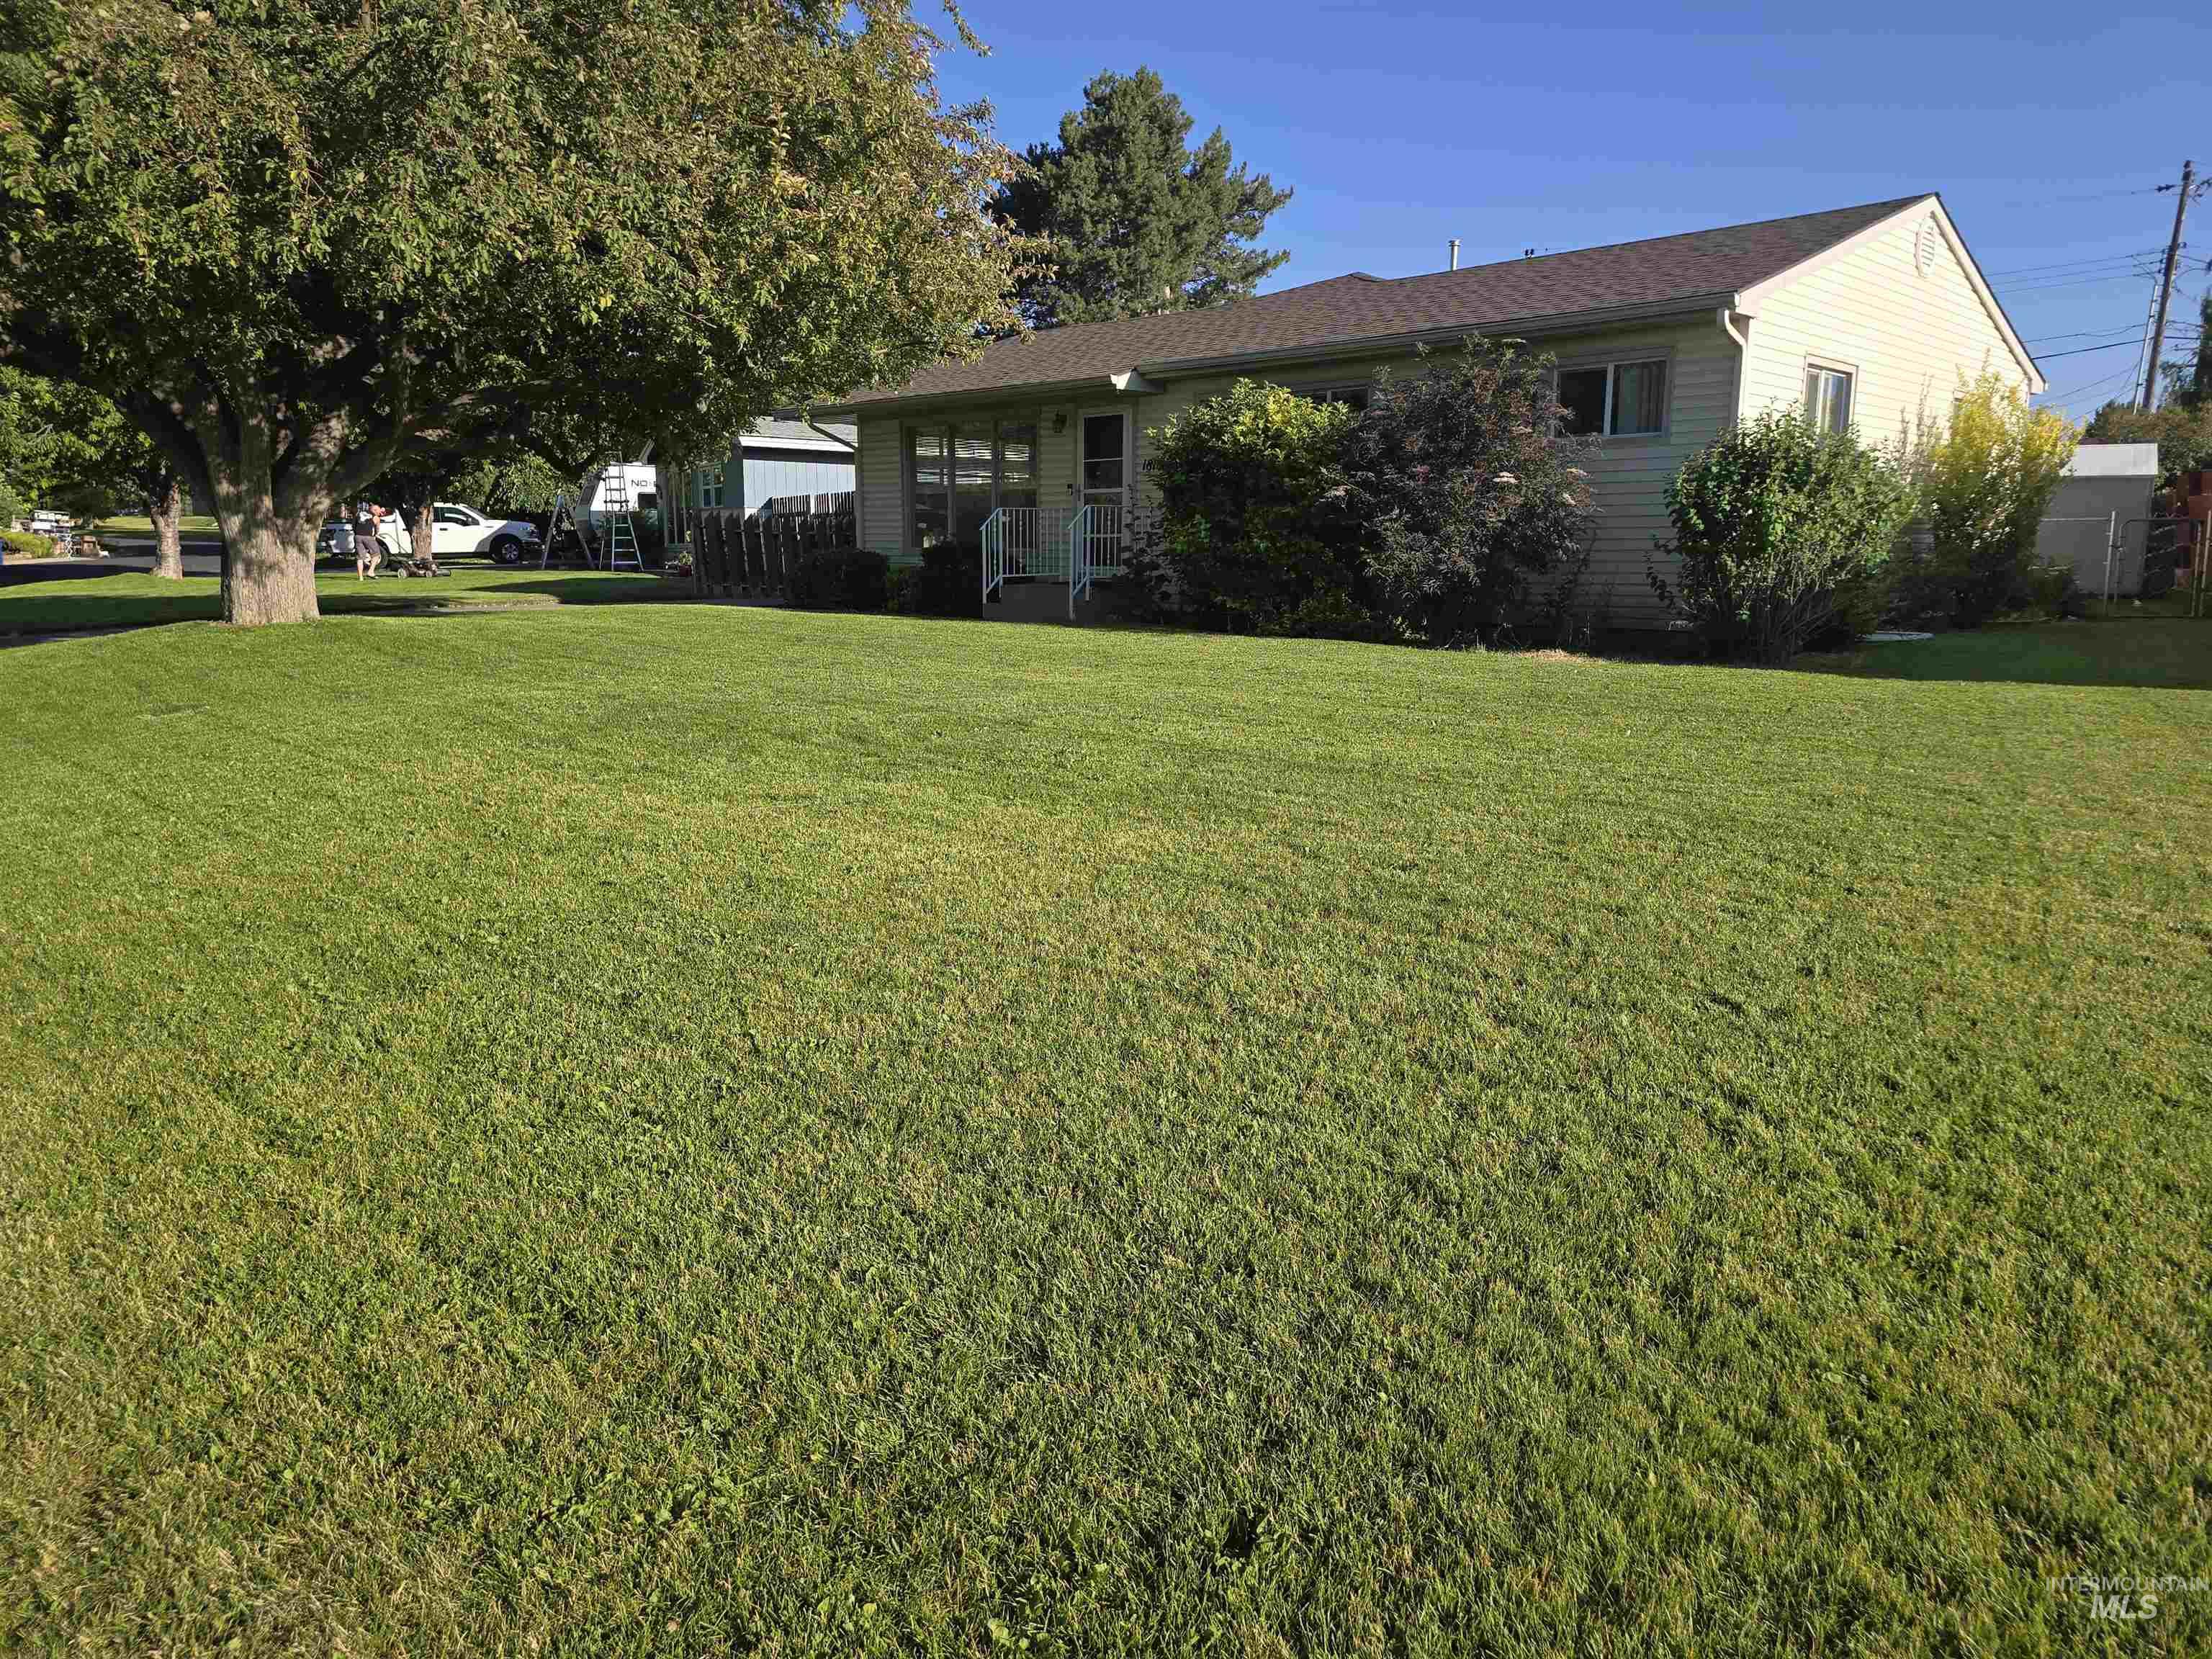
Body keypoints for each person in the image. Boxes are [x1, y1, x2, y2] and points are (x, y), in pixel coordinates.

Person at [353, 501, 384, 580]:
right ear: (375, 511)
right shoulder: (376, 518)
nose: (380, 513)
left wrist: (357, 534)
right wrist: (375, 535)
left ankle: (361, 578)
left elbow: (354, 525)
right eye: (379, 511)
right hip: (368, 537)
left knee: (360, 557)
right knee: (376, 554)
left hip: (357, 537)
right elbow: (377, 529)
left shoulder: (358, 514)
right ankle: (371, 572)